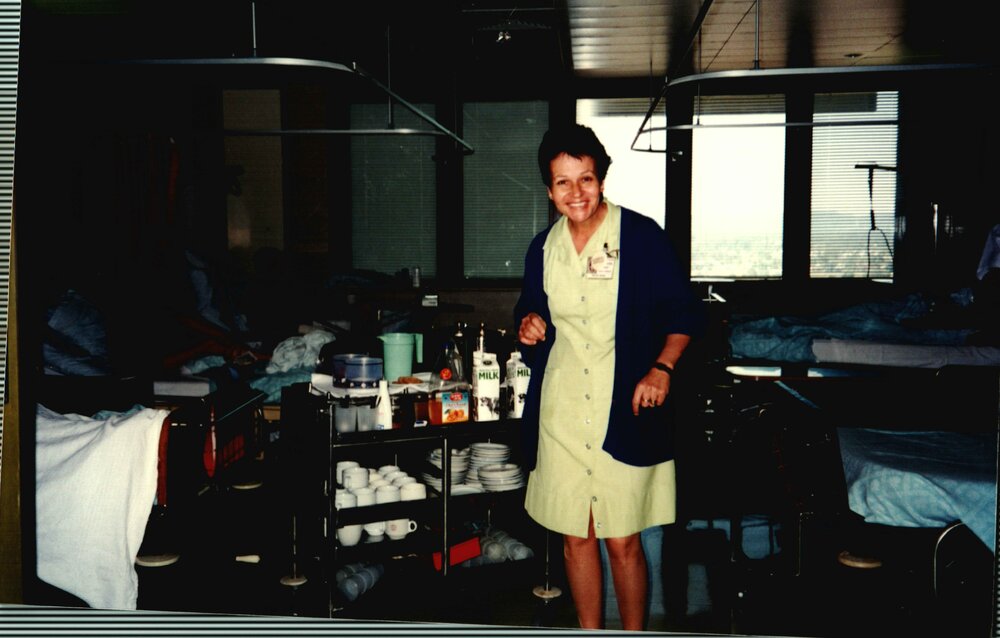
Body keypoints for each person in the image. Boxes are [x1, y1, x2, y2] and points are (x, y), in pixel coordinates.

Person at [514, 124, 705, 630]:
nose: (575, 193)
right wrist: (529, 325)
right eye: (562, 182)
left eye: (586, 179)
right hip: (562, 411)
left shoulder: (640, 237)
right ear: (548, 188)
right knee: (576, 536)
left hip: (625, 408)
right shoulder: (543, 249)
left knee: (622, 538)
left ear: (602, 179)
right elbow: (532, 311)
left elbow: (684, 314)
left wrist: (662, 368)